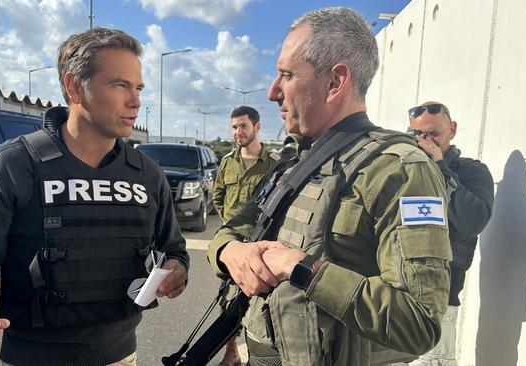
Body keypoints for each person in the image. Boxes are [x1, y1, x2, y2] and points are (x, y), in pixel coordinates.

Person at [207, 7, 452, 366]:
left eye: (286, 75)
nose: (274, 92)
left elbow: (418, 323)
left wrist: (302, 268)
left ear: (335, 82)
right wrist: (230, 253)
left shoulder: (399, 170)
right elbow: (233, 229)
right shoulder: (294, 162)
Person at [0, 28, 189, 366]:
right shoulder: (13, 164)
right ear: (74, 87)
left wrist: (176, 269)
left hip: (121, 356)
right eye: (120, 85)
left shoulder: (147, 173)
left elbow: (173, 248)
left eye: (138, 88)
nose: (136, 101)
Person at [406, 101, 494, 366]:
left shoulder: (471, 172)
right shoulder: (407, 169)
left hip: (439, 301)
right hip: (397, 295)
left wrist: (440, 168)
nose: (425, 141)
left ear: (452, 130)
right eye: (418, 135)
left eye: (434, 134)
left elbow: (472, 222)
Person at [213, 106, 278, 365]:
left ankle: (264, 355)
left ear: (257, 127)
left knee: (262, 304)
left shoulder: (273, 164)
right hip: (232, 248)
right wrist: (229, 226)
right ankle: (232, 352)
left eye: (243, 126)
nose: (238, 132)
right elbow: (218, 195)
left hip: (262, 246)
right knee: (227, 303)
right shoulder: (228, 162)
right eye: (234, 127)